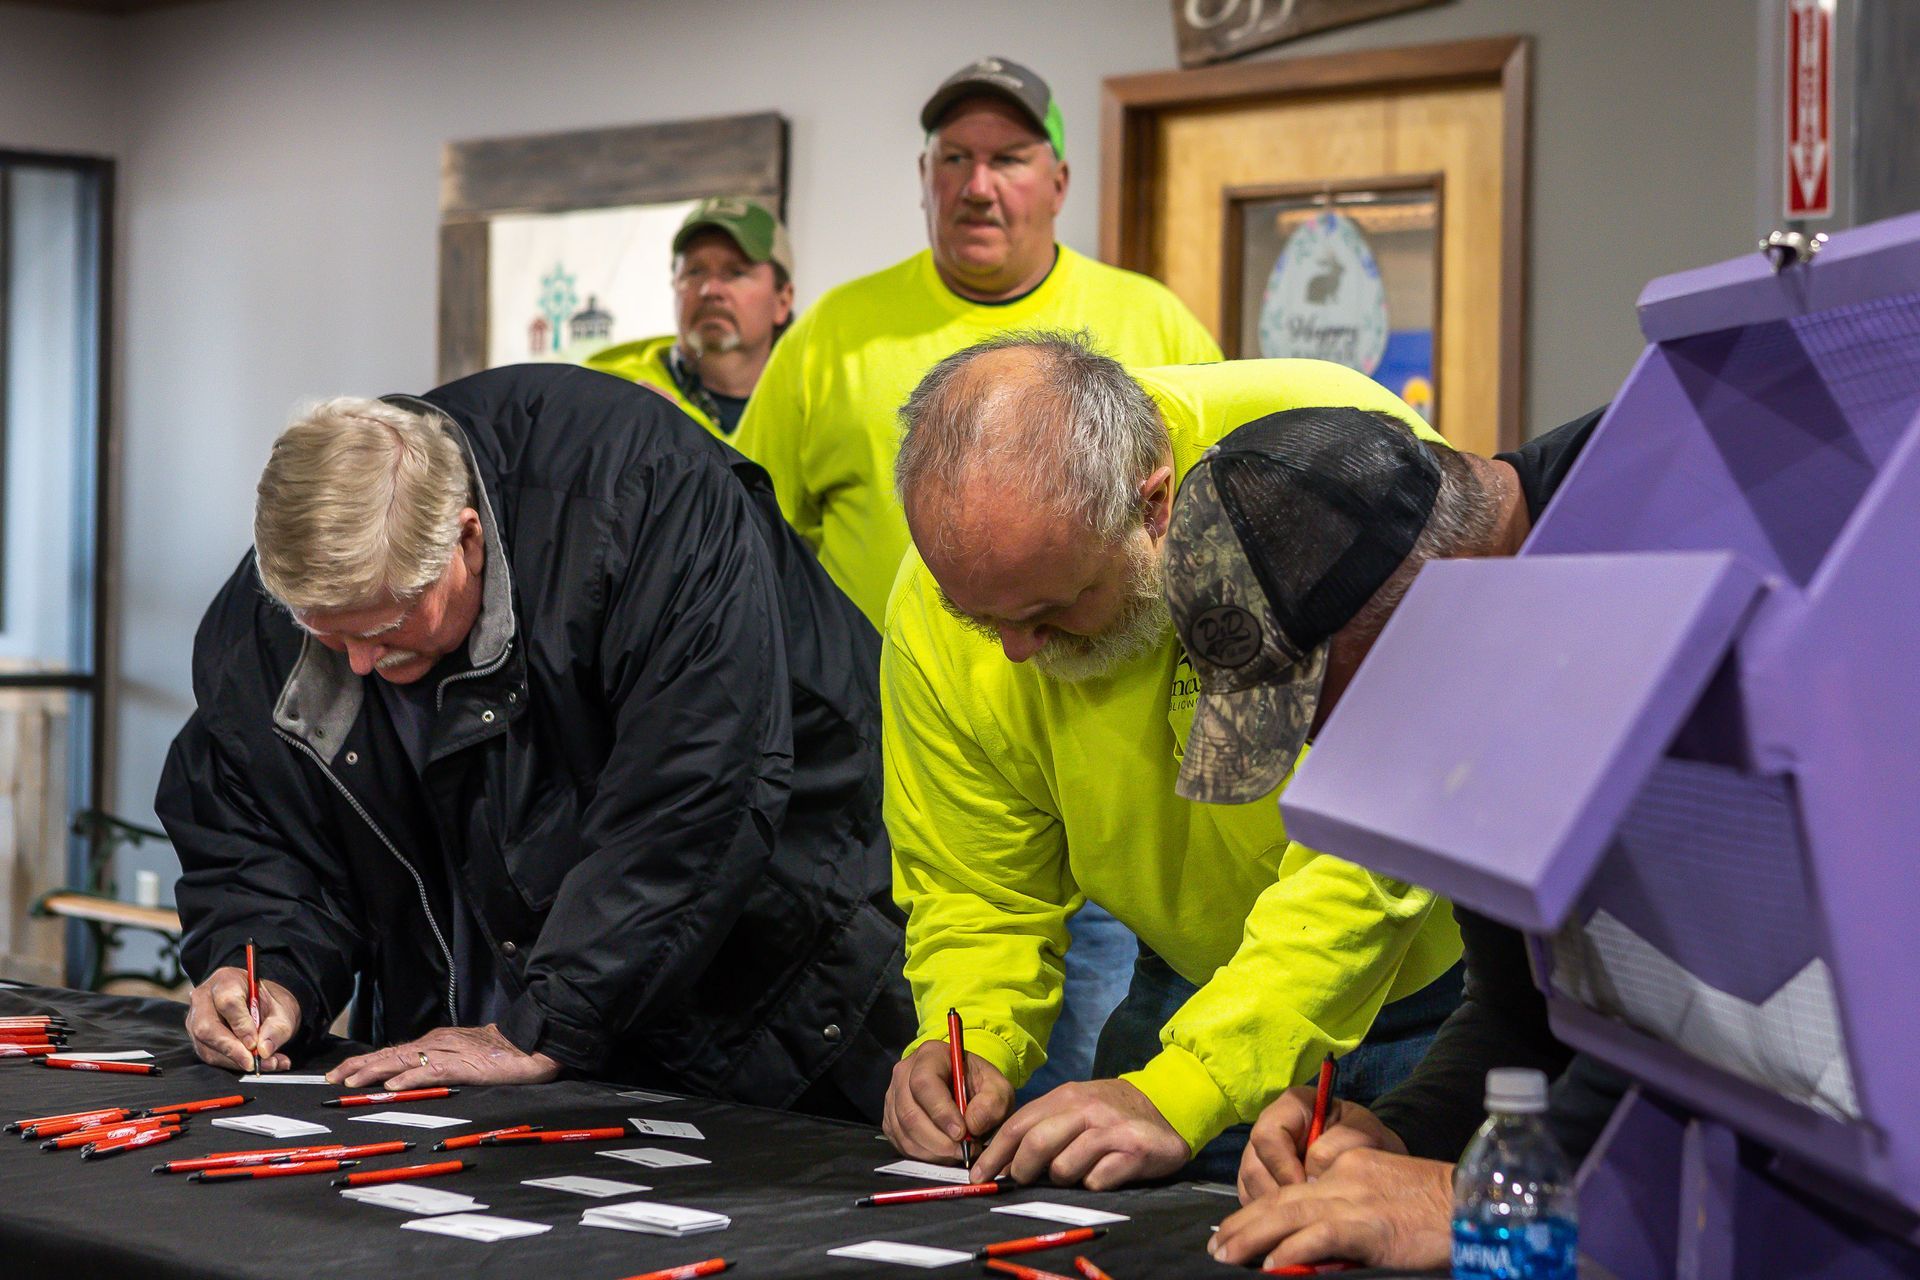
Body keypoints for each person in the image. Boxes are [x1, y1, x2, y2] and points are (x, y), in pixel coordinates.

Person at [158, 363, 911, 1121]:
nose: (357, 662)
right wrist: (265, 968)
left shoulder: (647, 502)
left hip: (770, 996)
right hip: (486, 1047)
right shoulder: (286, 603)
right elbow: (256, 827)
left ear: (467, 539)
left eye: (385, 631)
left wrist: (549, 1021)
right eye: (329, 636)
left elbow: (692, 797)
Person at [878, 332, 1466, 1191]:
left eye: (1051, 609)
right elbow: (977, 888)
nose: (1013, 649)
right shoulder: (959, 583)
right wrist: (969, 1038)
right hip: (1188, 977)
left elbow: (1378, 842)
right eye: (980, 619)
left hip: (1423, 985)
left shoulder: (1328, 465)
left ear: (1154, 506)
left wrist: (1188, 1086)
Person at [734, 56, 1220, 1094]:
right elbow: (752, 540)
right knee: (933, 1035)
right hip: (904, 764)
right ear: (925, 176)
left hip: (1121, 776)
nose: (978, 183)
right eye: (953, 158)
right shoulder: (833, 337)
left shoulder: (1151, 320)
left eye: (1007, 157)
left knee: (1092, 1061)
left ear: (1058, 180)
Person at [1145, 404, 1625, 1270]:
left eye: (1325, 709)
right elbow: (1525, 1010)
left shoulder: (1655, 560)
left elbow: (1746, 1036)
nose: (1330, 748)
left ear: (1425, 605)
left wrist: (1457, 1196)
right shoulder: (1487, 644)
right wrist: (1396, 1138)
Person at [586, 196, 795, 437]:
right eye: (694, 271)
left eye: (736, 273)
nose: (710, 290)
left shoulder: (813, 408)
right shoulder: (616, 394)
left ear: (783, 300)